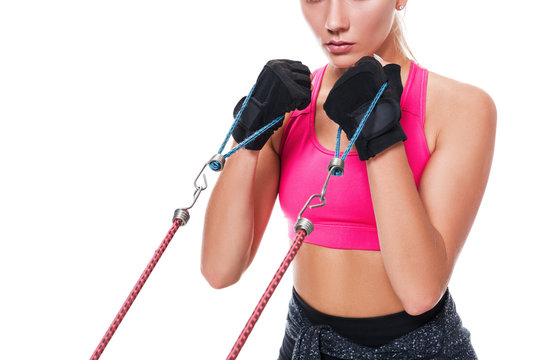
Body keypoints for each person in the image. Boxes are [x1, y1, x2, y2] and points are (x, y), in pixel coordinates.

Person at [201, 0, 496, 359]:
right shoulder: (291, 104)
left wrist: (382, 139)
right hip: (306, 345)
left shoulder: (461, 108)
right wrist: (248, 136)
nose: (334, 21)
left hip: (416, 350)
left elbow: (420, 293)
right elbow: (219, 270)